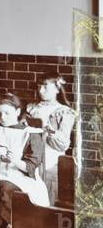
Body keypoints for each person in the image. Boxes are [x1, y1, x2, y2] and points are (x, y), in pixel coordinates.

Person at [0, 92, 50, 217]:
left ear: (17, 111)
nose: (2, 117)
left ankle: (13, 225)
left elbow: (31, 167)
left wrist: (15, 160)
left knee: (4, 189)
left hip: (19, 177)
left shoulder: (30, 134)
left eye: (7, 113)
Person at [26, 75, 76, 204]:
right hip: (30, 154)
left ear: (57, 89)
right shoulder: (31, 108)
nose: (41, 90)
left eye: (45, 87)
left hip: (51, 158)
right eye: (39, 86)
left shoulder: (64, 112)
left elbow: (63, 145)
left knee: (46, 196)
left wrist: (48, 131)